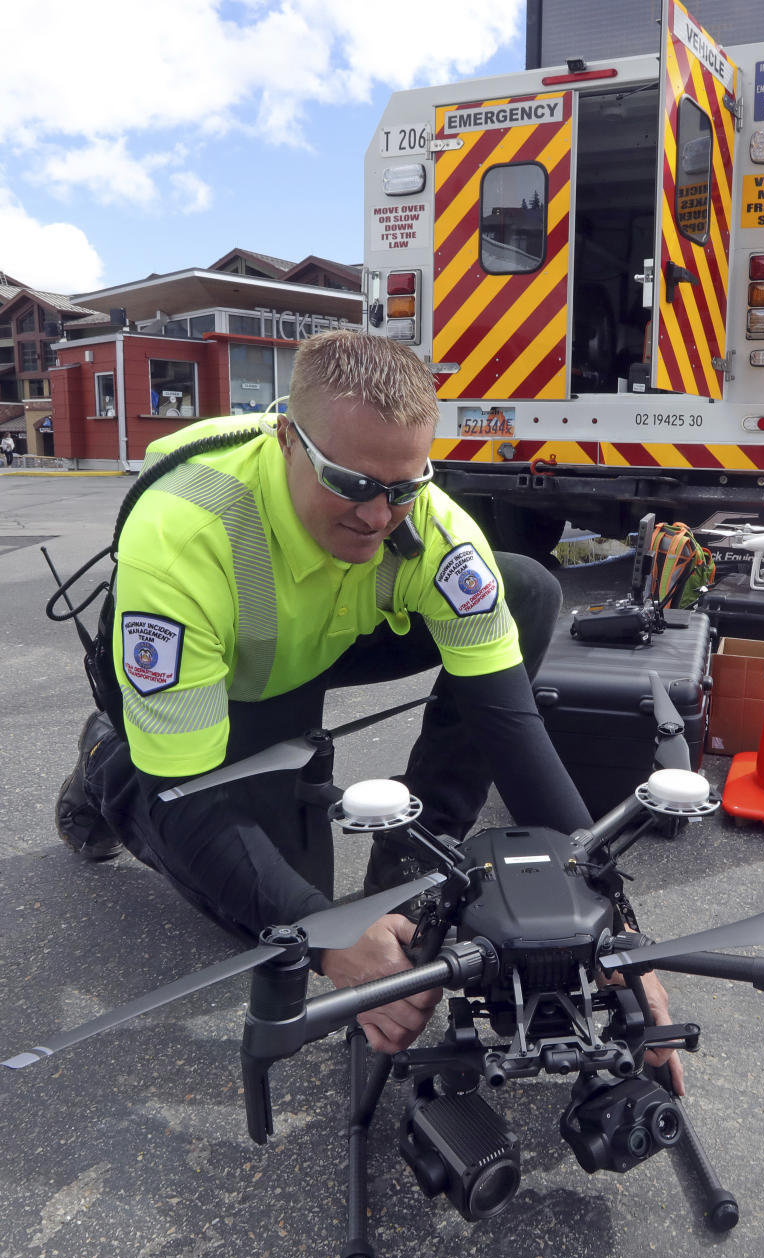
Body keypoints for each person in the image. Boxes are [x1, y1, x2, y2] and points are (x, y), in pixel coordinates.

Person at [55, 331, 683, 1089]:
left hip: (327, 636)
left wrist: (613, 926)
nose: (379, 515)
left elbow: (510, 726)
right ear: (287, 436)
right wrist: (332, 935)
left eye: (405, 485)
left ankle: (421, 848)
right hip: (229, 670)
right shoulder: (184, 534)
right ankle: (102, 764)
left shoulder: (424, 520)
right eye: (350, 482)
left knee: (524, 589)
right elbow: (187, 804)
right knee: (269, 904)